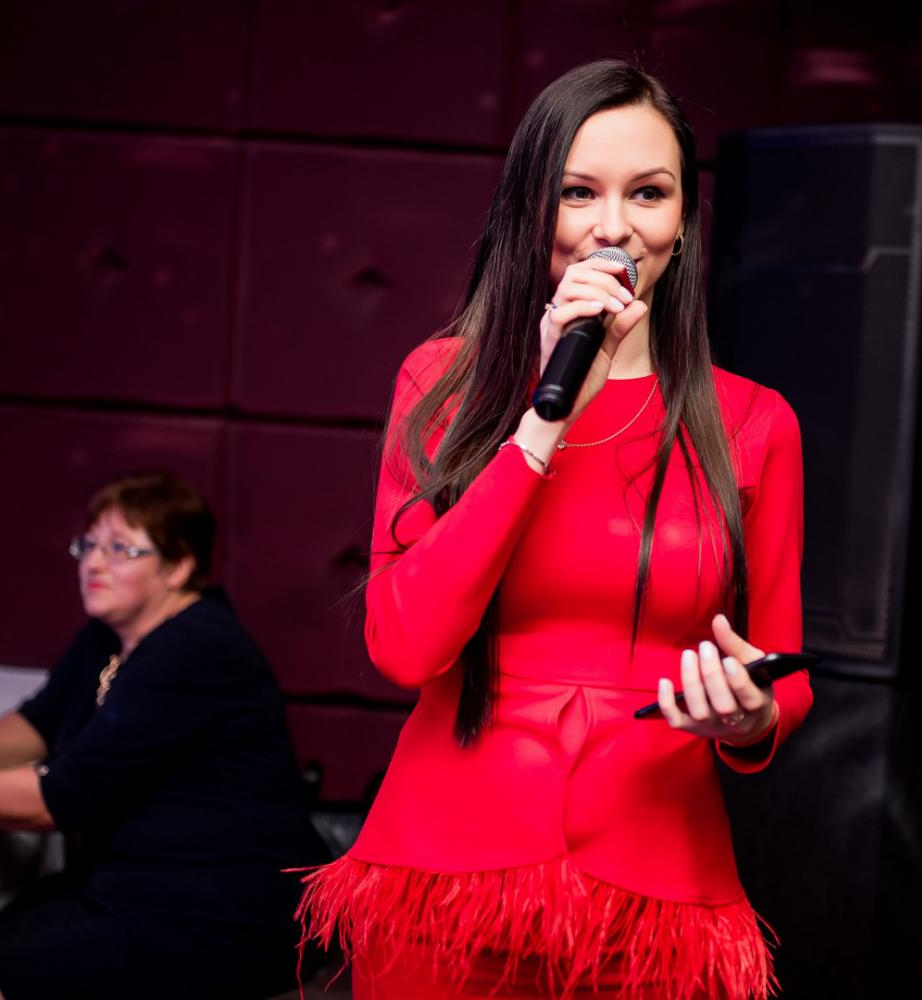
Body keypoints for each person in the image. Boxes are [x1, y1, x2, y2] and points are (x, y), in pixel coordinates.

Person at [295, 60, 812, 999]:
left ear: (684, 221)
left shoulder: (754, 423)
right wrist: (542, 421)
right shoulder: (442, 383)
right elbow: (405, 646)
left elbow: (784, 670)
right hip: (445, 880)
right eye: (579, 193)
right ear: (533, 211)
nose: (613, 226)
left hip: (655, 894)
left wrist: (751, 717)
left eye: (647, 193)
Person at [0, 470, 328, 1000]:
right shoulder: (111, 634)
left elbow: (54, 801)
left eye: (121, 550)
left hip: (219, 908)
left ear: (179, 566)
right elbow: (39, 722)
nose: (94, 563)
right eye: (89, 545)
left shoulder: (195, 648)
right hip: (138, 881)